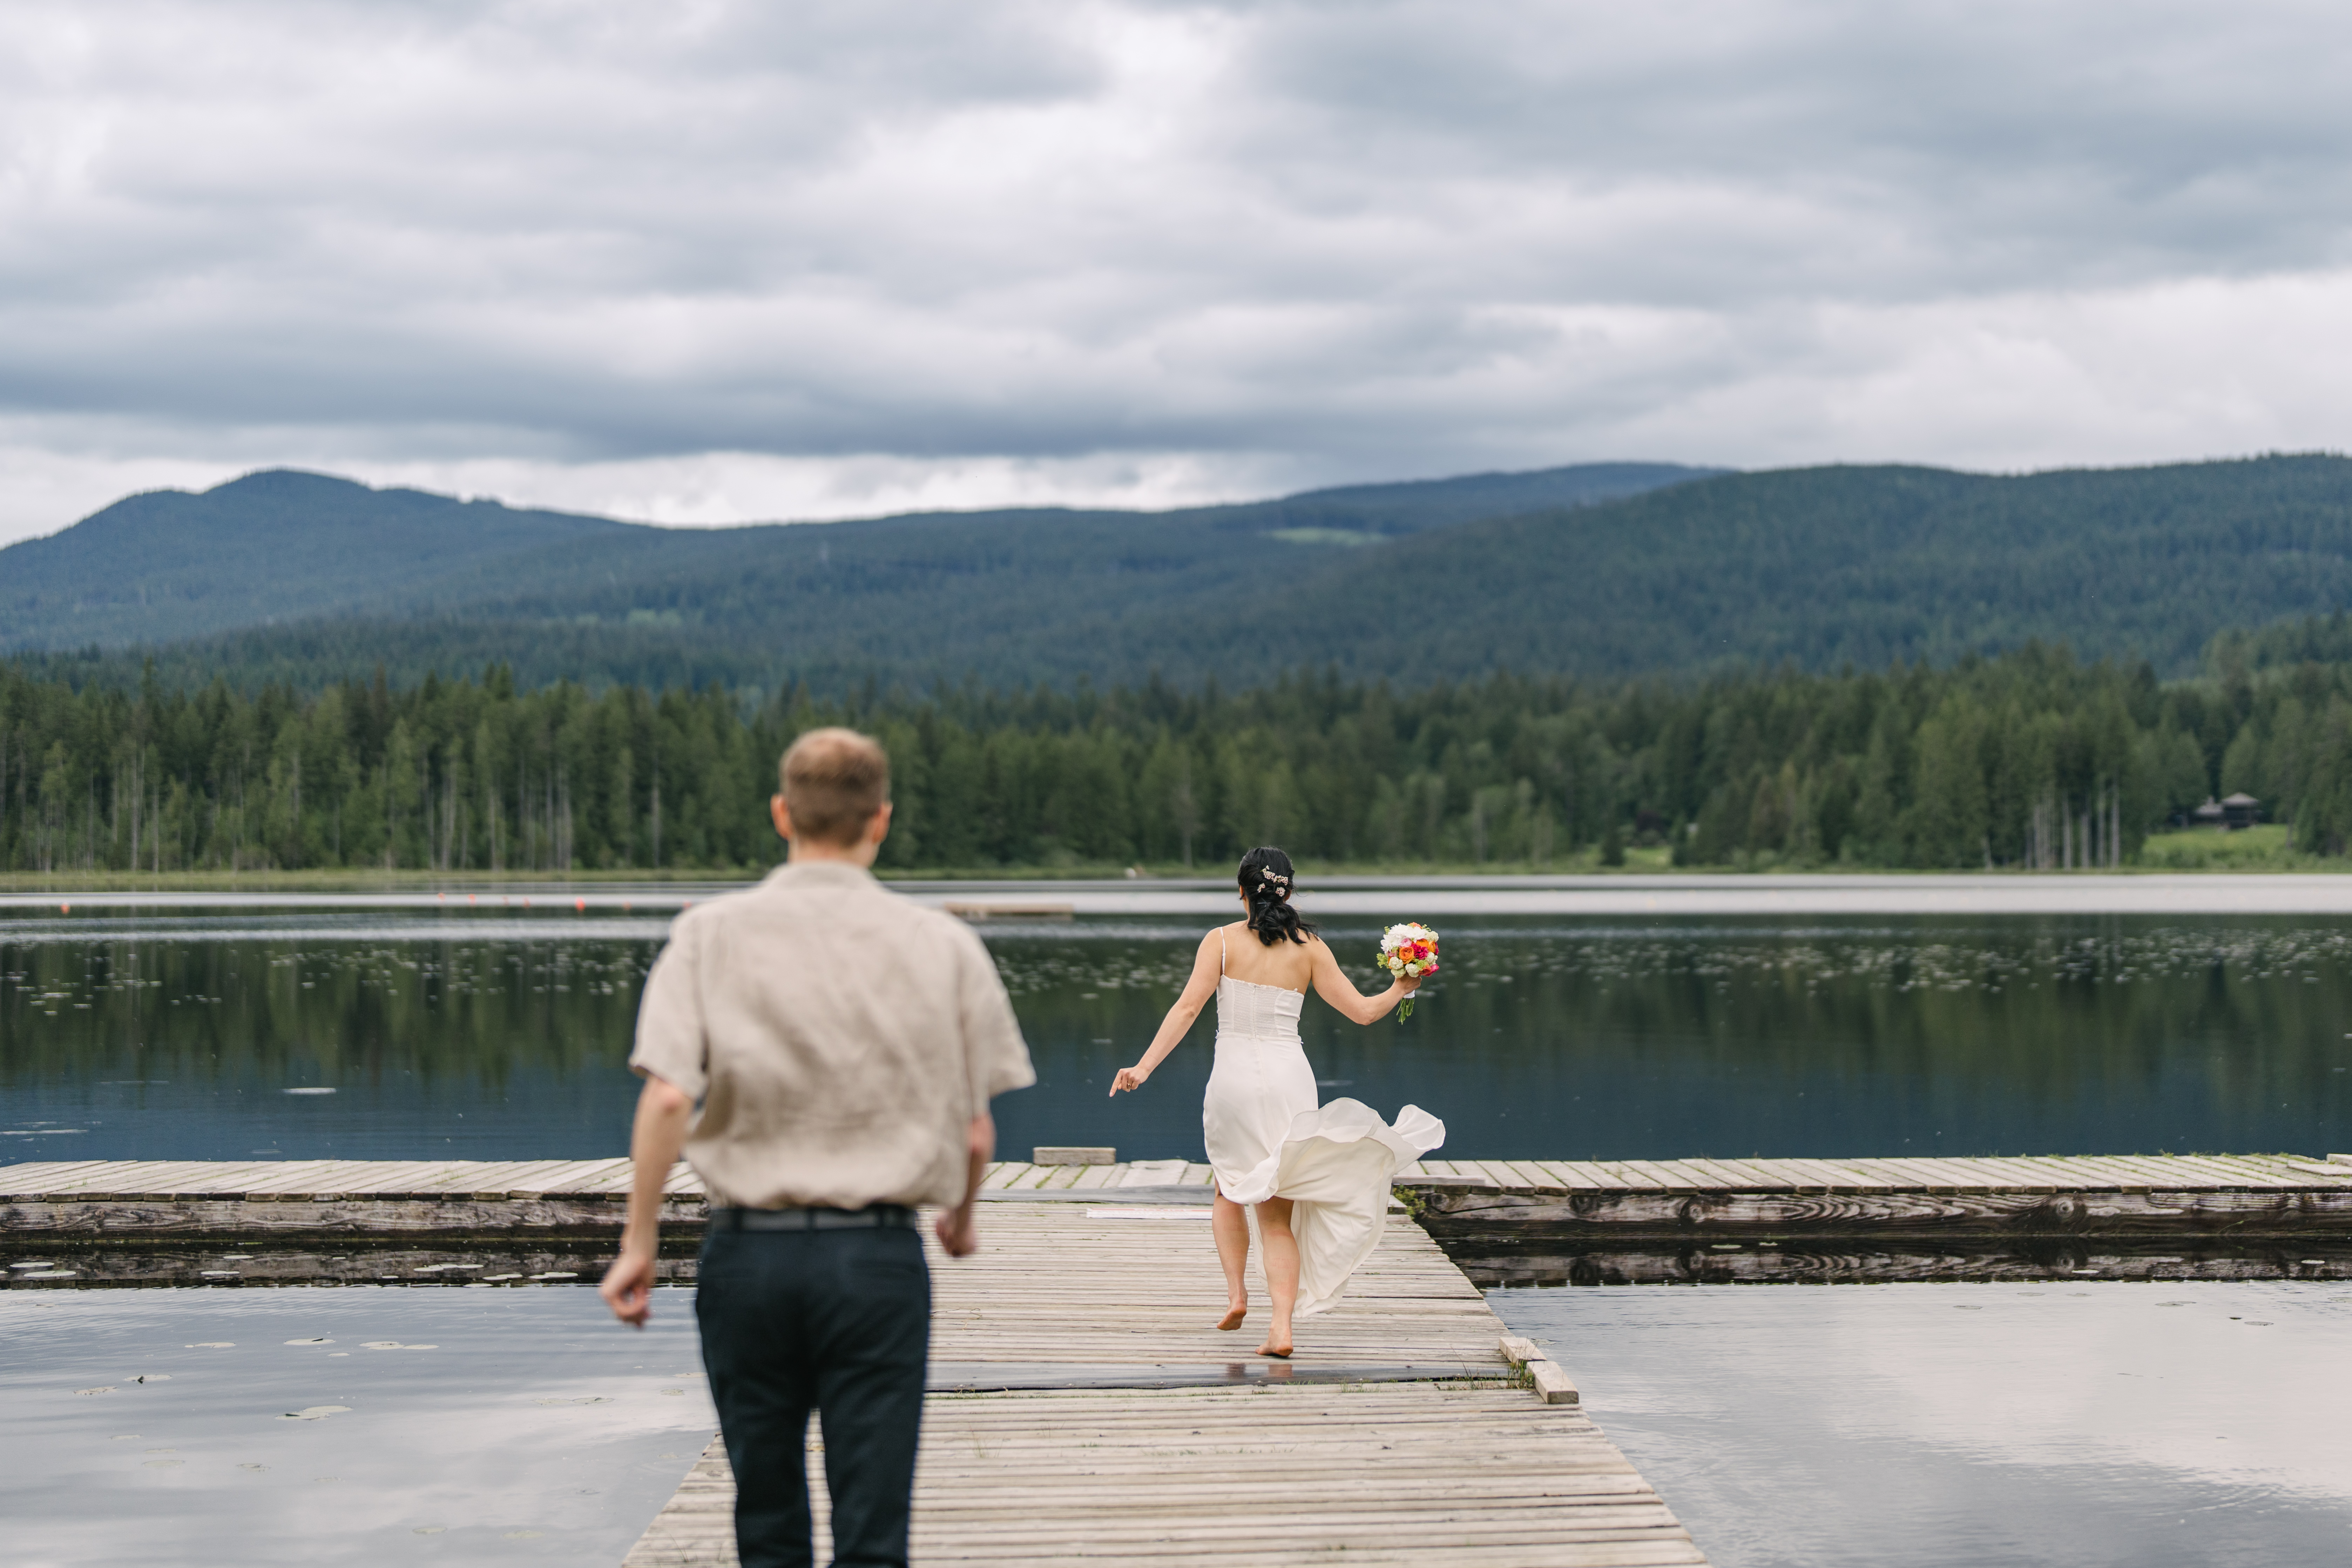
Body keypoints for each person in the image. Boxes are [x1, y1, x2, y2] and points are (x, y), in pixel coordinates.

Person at [598, 727, 1035, 1568]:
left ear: (780, 813)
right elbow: (976, 1129)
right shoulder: (942, 944)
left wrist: (639, 1244)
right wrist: (964, 1218)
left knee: (767, 1522)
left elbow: (666, 1096)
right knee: (874, 1531)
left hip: (747, 1263)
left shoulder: (709, 934)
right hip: (876, 1264)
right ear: (881, 819)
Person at [1108, 846, 1442, 1358]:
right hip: (1290, 1079)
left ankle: (1238, 1296)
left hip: (1235, 1080)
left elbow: (1188, 1008)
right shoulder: (1310, 948)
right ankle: (1281, 1328)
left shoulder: (1219, 942)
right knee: (1275, 1214)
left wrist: (1144, 1067)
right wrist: (1403, 983)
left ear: (1242, 890)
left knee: (1228, 1189)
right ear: (1288, 892)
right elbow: (1364, 1013)